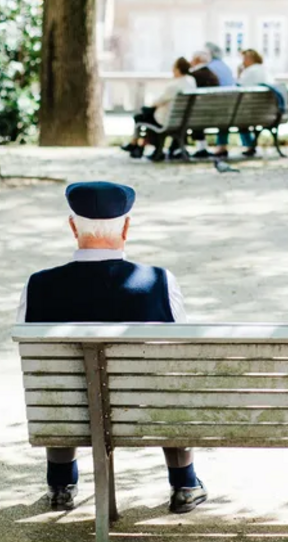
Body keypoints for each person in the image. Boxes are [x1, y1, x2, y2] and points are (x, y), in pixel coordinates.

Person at [17, 182, 207, 514]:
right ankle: (184, 483)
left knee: (58, 384)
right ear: (126, 227)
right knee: (171, 381)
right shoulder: (159, 282)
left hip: (68, 413)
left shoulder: (38, 285)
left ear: (73, 227)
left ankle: (60, 485)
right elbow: (180, 350)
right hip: (145, 412)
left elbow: (35, 358)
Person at [124, 57, 195, 159]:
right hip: (184, 120)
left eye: (174, 68)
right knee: (145, 115)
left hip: (167, 120)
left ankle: (136, 145)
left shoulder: (174, 86)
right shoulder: (191, 81)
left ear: (177, 70)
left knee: (141, 116)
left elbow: (157, 102)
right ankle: (138, 146)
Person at [214, 48, 273, 159]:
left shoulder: (250, 71)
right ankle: (249, 145)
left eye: (244, 59)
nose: (242, 62)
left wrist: (239, 74)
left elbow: (238, 88)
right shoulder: (265, 71)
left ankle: (222, 146)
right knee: (240, 117)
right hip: (264, 112)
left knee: (226, 117)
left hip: (248, 112)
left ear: (249, 59)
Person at [184, 50, 221, 159]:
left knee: (185, 114)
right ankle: (201, 147)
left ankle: (178, 148)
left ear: (197, 60)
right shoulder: (213, 75)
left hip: (197, 114)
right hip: (213, 113)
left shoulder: (193, 76)